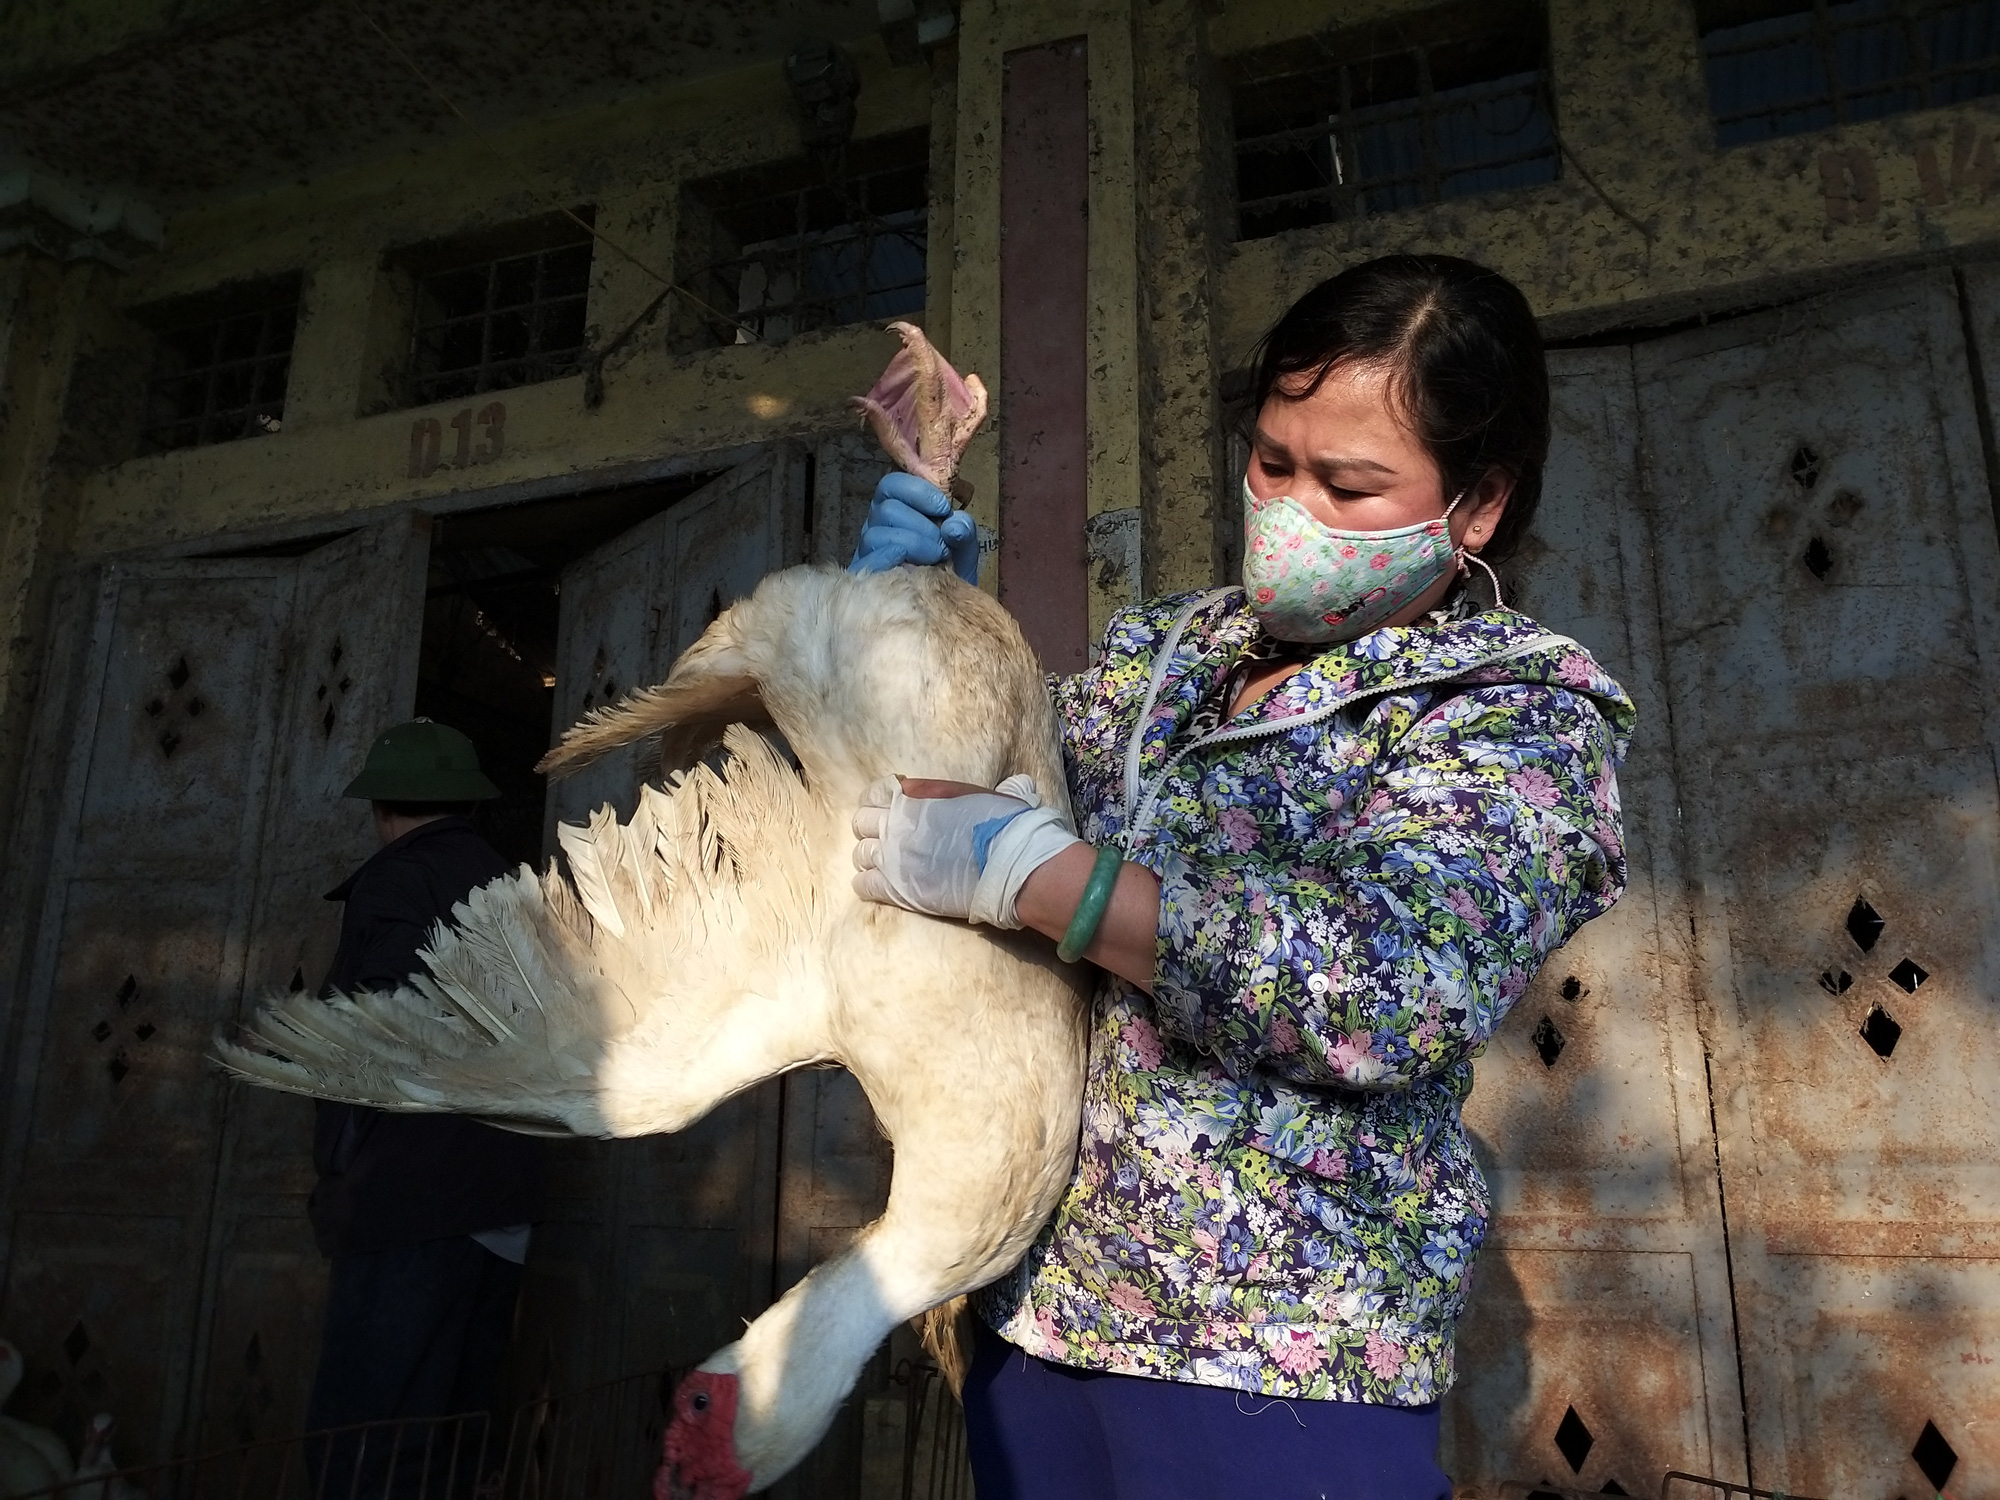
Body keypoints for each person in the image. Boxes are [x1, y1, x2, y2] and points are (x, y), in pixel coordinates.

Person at [846, 255, 1634, 1499]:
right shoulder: (1172, 645)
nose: (1290, 506)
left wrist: (1040, 878)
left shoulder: (1513, 713)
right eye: (1273, 461)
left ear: (1475, 506)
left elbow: (1378, 990)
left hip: (1275, 1353)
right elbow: (984, 778)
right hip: (1040, 1306)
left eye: (1348, 484)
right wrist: (901, 607)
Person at [304, 720, 543, 1488]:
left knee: (369, 1439)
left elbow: (387, 1022)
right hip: (499, 1204)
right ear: (466, 806)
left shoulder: (397, 880)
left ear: (383, 809)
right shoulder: (514, 890)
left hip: (409, 1200)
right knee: (456, 1433)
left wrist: (345, 1160)